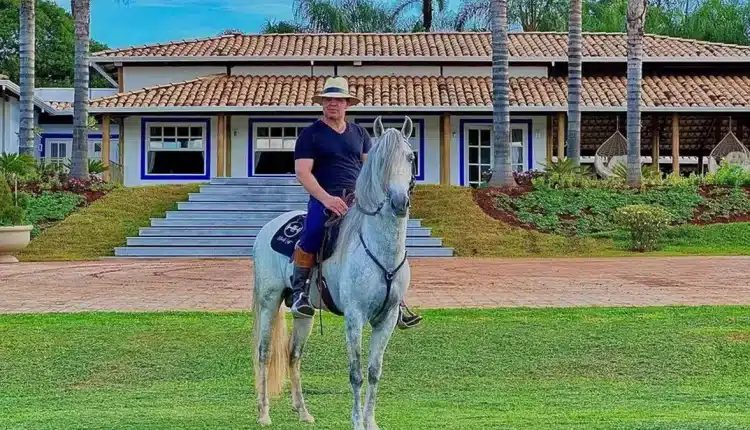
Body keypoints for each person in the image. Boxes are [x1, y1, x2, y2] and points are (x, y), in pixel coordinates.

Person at [290, 76, 422, 329]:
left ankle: (395, 299)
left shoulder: (359, 133)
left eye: (338, 100)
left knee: (382, 236)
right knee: (314, 231)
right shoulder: (310, 134)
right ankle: (300, 293)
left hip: (357, 197)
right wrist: (327, 199)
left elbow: (369, 167)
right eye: (328, 100)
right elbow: (303, 172)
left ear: (347, 104)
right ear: (322, 104)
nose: (333, 104)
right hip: (324, 196)